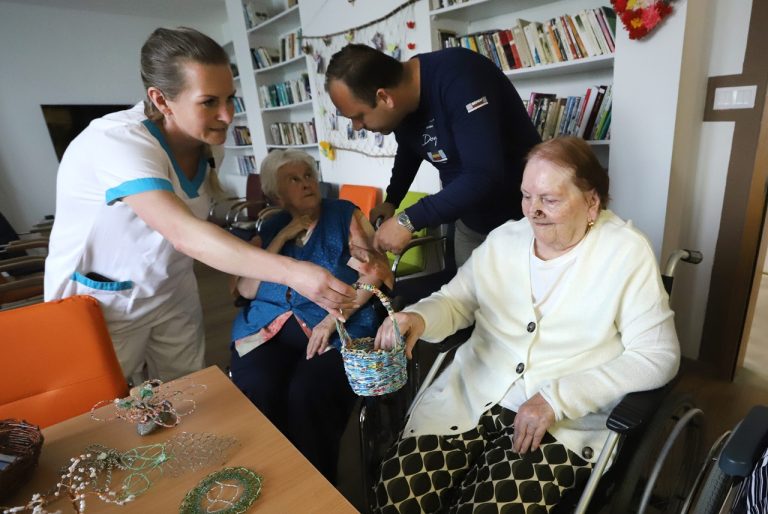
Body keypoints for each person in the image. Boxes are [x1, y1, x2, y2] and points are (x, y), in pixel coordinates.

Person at [372, 137, 681, 513]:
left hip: (561, 422)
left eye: (549, 199)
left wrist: (558, 398)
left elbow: (658, 355)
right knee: (396, 495)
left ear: (591, 203)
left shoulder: (625, 252)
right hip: (473, 394)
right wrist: (418, 317)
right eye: (526, 196)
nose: (533, 211)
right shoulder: (505, 240)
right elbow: (455, 301)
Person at [44, 27, 356, 385]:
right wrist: (292, 272)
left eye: (230, 98)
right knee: (100, 404)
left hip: (171, 290)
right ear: (161, 100)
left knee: (187, 392)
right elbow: (183, 232)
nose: (227, 116)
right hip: (105, 300)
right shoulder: (116, 142)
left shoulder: (209, 145)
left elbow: (197, 209)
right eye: (209, 102)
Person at [229, 149, 391, 483]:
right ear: (276, 193)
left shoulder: (343, 215)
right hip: (267, 326)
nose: (306, 184)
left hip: (334, 329)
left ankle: (314, 485)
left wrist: (334, 316)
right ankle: (270, 475)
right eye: (294, 179)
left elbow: (376, 272)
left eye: (308, 176)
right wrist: (282, 237)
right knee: (259, 387)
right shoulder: (271, 225)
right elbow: (245, 288)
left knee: (308, 393)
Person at [326, 44, 542, 268]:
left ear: (384, 97)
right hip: (472, 223)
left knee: (520, 301)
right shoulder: (403, 104)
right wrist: (392, 200)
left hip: (524, 222)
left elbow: (483, 174)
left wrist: (407, 221)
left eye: (359, 116)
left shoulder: (460, 76)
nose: (357, 126)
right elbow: (409, 148)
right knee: (468, 300)